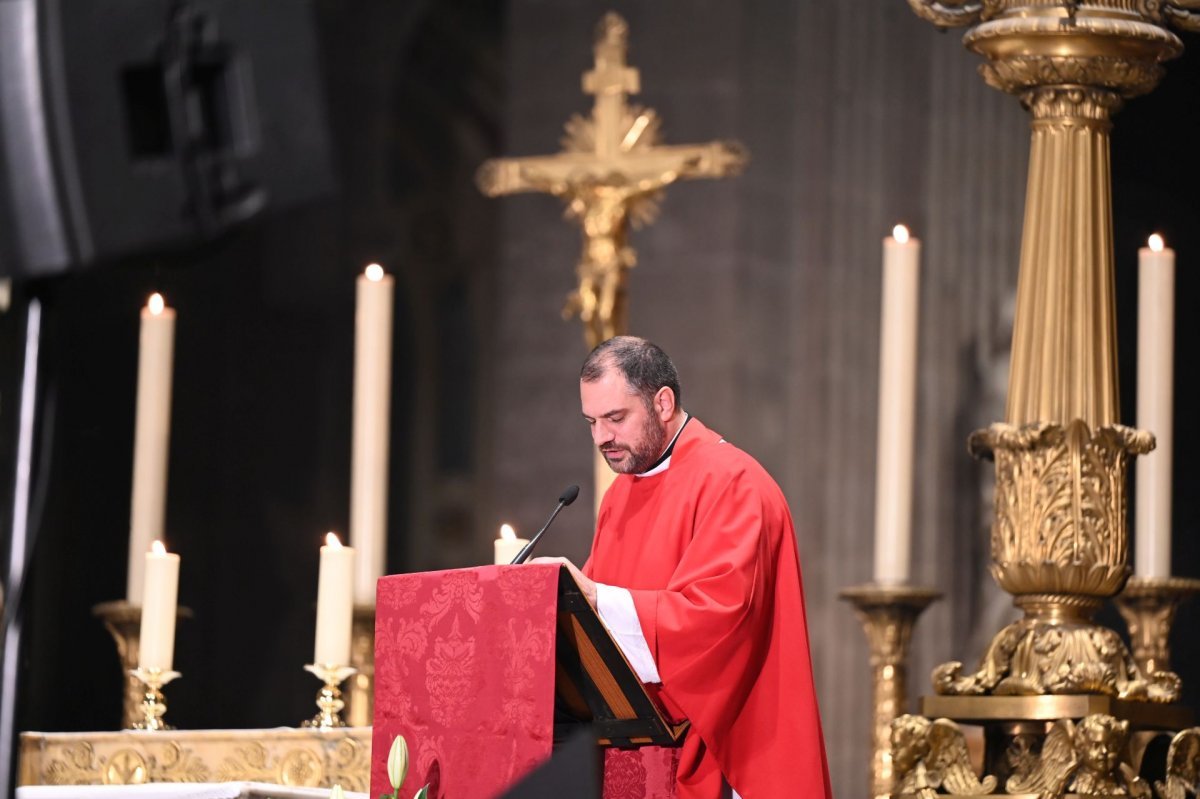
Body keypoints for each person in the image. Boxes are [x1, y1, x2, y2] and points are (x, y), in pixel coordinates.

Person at [534, 336, 831, 799]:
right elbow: (598, 638)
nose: (601, 438)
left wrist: (593, 597)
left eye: (615, 418)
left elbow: (718, 623)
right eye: (591, 422)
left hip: (728, 750)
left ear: (663, 402)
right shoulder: (622, 494)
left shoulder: (733, 483)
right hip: (635, 755)